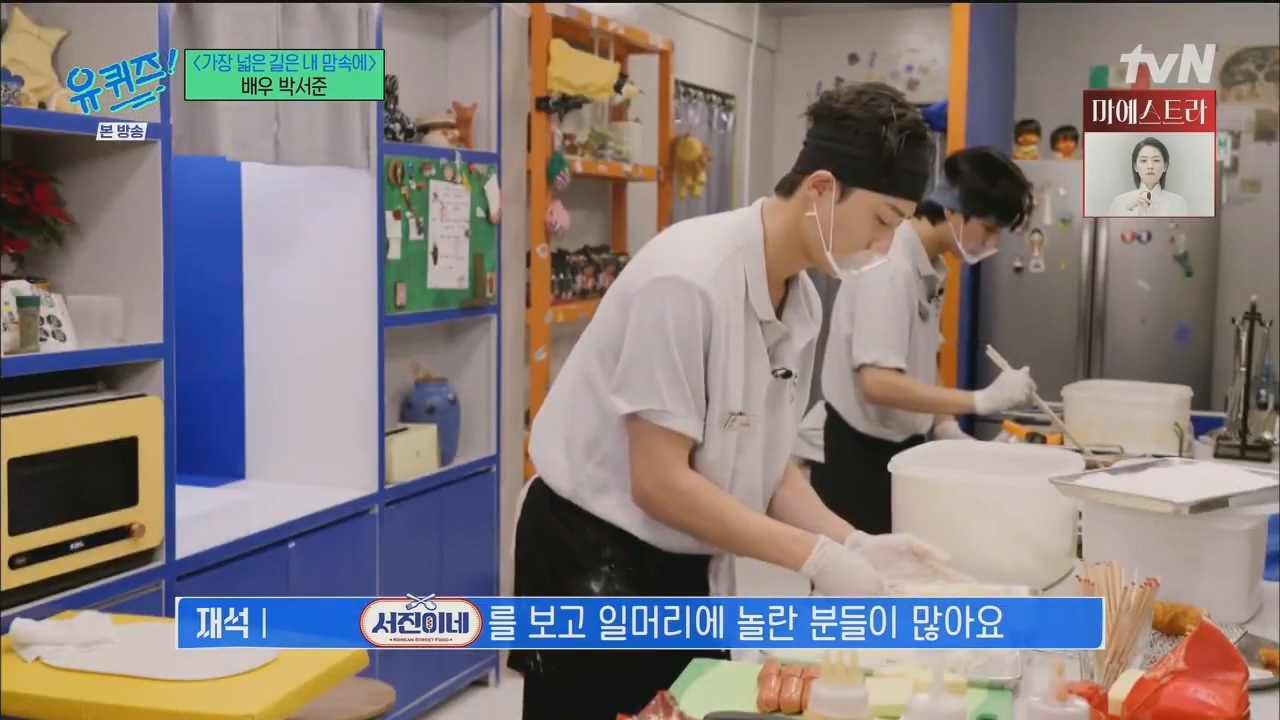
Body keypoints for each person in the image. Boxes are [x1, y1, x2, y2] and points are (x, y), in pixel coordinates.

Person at [510, 82, 947, 719]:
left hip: (684, 552)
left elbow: (763, 464)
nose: (884, 248)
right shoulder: (686, 279)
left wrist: (852, 542)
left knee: (691, 707)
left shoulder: (798, 299)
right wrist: (813, 556)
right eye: (882, 222)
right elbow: (658, 482)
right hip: (594, 556)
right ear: (821, 189)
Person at [808, 147, 1038, 536]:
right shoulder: (891, 266)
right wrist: (979, 400)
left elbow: (924, 352)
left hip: (900, 442)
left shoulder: (929, 263)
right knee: (862, 566)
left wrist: (945, 425)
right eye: (989, 229)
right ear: (954, 211)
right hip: (859, 452)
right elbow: (878, 382)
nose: (992, 243)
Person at [1107, 137, 1188, 216]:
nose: (1150, 166)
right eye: (1143, 160)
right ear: (1135, 167)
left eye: (1156, 160)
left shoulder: (1177, 202)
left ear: (1165, 166)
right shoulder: (1120, 202)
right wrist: (1128, 210)